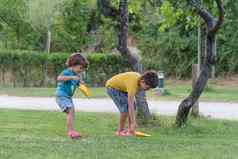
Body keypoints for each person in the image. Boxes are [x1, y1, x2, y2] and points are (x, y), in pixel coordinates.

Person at [106, 71, 159, 136]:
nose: (148, 89)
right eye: (147, 87)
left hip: (122, 89)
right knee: (125, 108)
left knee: (133, 106)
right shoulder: (133, 84)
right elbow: (129, 104)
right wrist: (133, 122)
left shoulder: (139, 83)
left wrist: (132, 124)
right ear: (143, 81)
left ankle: (131, 130)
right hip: (112, 87)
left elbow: (132, 106)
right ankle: (120, 131)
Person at [55, 53, 89, 139]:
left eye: (83, 69)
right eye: (80, 68)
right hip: (61, 95)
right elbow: (59, 78)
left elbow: (77, 83)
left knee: (72, 112)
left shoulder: (76, 75)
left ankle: (72, 131)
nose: (81, 70)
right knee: (71, 111)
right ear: (73, 65)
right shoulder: (67, 72)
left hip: (68, 97)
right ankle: (71, 132)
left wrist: (81, 84)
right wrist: (71, 77)